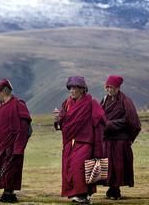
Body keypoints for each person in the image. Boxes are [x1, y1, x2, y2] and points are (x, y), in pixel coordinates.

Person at [54, 76, 106, 204]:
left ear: (82, 89)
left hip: (85, 141)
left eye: (75, 88)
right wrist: (57, 120)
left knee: (80, 167)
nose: (72, 91)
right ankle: (78, 194)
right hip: (69, 142)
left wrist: (97, 137)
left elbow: (101, 119)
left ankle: (82, 195)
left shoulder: (91, 103)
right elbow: (62, 121)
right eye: (70, 88)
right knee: (69, 168)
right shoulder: (66, 103)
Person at [0, 79, 32, 203]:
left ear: (3, 92)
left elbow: (24, 128)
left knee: (11, 169)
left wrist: (19, 147)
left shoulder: (19, 105)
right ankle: (7, 192)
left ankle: (9, 193)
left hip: (12, 144)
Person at [100, 75, 141, 200]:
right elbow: (100, 115)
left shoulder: (125, 101)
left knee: (118, 165)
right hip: (108, 139)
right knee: (109, 165)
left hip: (120, 139)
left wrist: (110, 124)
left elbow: (131, 120)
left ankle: (115, 189)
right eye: (107, 87)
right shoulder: (105, 99)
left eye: (111, 87)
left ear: (118, 87)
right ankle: (111, 187)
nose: (109, 90)